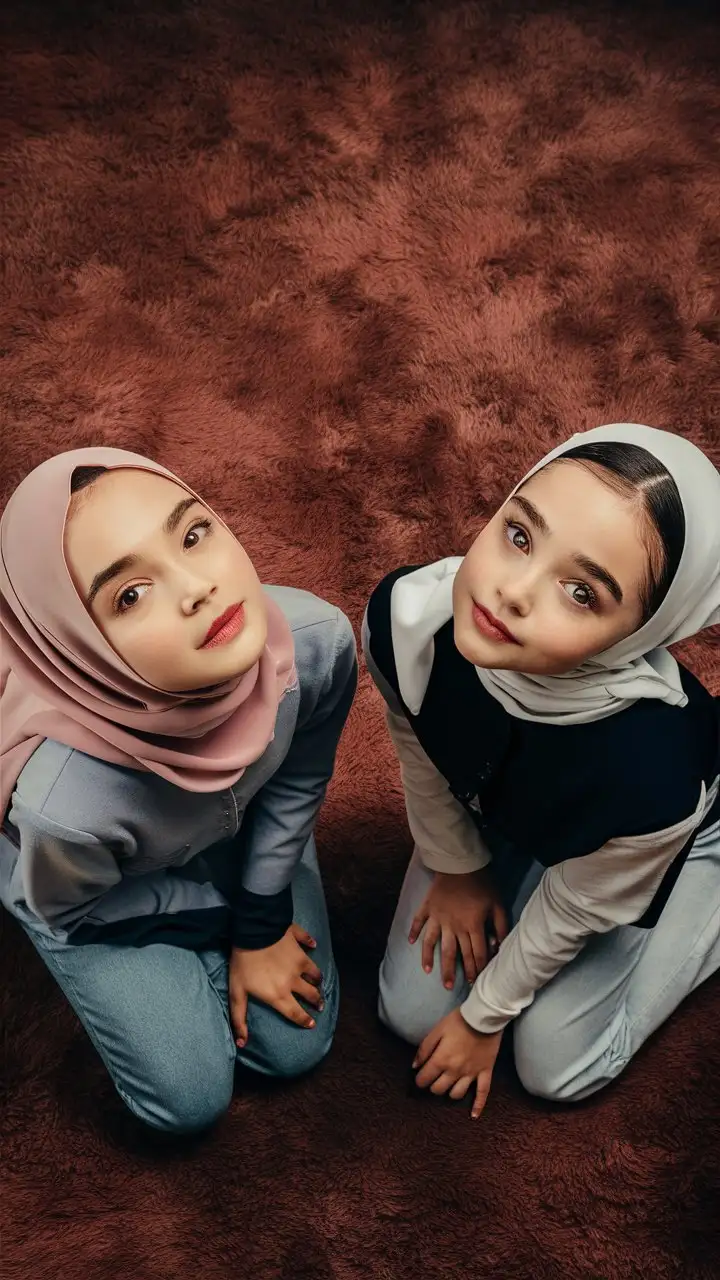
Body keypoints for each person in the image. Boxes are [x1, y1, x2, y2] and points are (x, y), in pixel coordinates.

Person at [363, 423, 720, 1118]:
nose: (513, 592)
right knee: (408, 1013)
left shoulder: (652, 779)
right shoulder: (407, 618)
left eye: (583, 592)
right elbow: (420, 745)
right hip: (515, 807)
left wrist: (484, 1016)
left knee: (557, 1065)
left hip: (645, 842)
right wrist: (457, 866)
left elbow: (578, 905)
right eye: (520, 535)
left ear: (642, 633)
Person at [0, 448, 357, 1134]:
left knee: (295, 1049)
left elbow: (299, 776)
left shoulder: (315, 642)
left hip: (234, 825)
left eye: (192, 534)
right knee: (188, 1100)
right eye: (129, 595)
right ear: (81, 645)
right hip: (87, 886)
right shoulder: (65, 805)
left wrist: (263, 919)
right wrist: (238, 926)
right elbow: (76, 907)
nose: (196, 587)